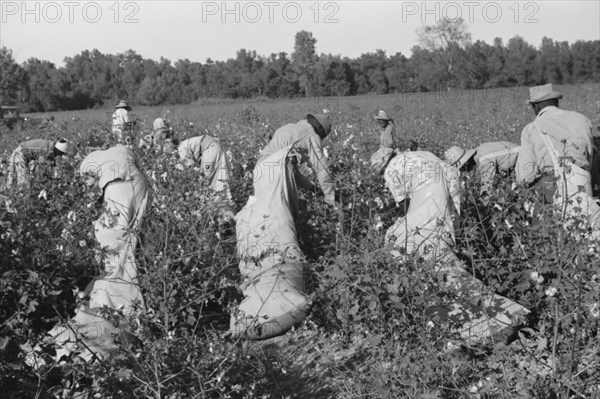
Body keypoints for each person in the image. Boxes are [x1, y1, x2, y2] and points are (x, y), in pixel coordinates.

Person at [370, 148, 529, 347]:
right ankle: (489, 313)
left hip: (430, 193)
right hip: (448, 184)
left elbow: (402, 204)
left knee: (416, 248)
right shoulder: (417, 154)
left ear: (382, 165)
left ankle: (501, 314)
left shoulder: (391, 167)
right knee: (436, 248)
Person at [46, 145, 152, 361]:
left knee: (115, 238)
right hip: (142, 183)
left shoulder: (90, 168)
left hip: (121, 186)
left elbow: (101, 196)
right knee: (132, 237)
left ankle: (116, 276)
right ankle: (122, 272)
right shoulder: (113, 156)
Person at [231, 142, 309, 340]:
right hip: (281, 269)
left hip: (254, 279)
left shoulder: (243, 214)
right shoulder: (279, 209)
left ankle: (248, 316)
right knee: (286, 287)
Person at [515, 84, 599, 230]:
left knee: (545, 234)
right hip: (583, 181)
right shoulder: (581, 119)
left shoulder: (532, 128)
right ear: (556, 102)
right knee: (584, 232)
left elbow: (525, 176)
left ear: (535, 106)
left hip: (551, 187)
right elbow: (591, 157)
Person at [259, 113, 336, 205]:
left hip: (260, 168)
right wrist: (330, 197)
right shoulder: (312, 135)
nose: (321, 138)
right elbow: (322, 168)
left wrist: (312, 188)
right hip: (277, 174)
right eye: (322, 135)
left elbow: (290, 171)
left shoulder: (291, 128)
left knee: (264, 208)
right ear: (319, 128)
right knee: (290, 210)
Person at [4, 138, 70, 189]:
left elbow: (52, 163)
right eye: (60, 153)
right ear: (58, 150)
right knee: (22, 181)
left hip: (24, 157)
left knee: (22, 179)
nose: (60, 156)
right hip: (19, 154)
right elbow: (42, 164)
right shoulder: (46, 148)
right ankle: (19, 199)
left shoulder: (51, 147)